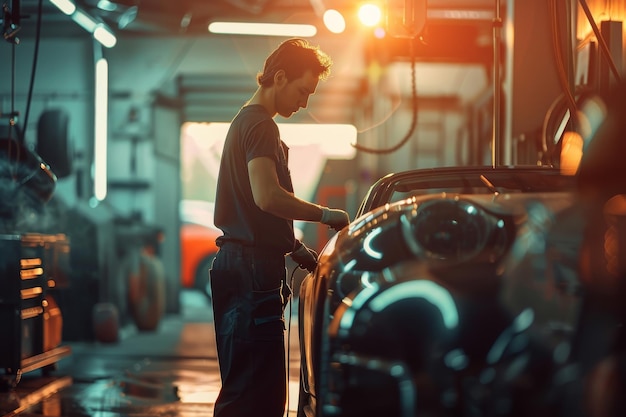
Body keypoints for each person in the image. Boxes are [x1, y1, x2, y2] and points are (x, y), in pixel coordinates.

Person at [209, 38, 350, 417]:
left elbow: (256, 212)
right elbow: (267, 197)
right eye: (303, 91)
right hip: (251, 272)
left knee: (247, 386)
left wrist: (293, 247)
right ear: (281, 77)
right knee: (254, 396)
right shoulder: (261, 126)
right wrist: (326, 215)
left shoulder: (246, 123)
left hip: (241, 265)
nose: (304, 103)